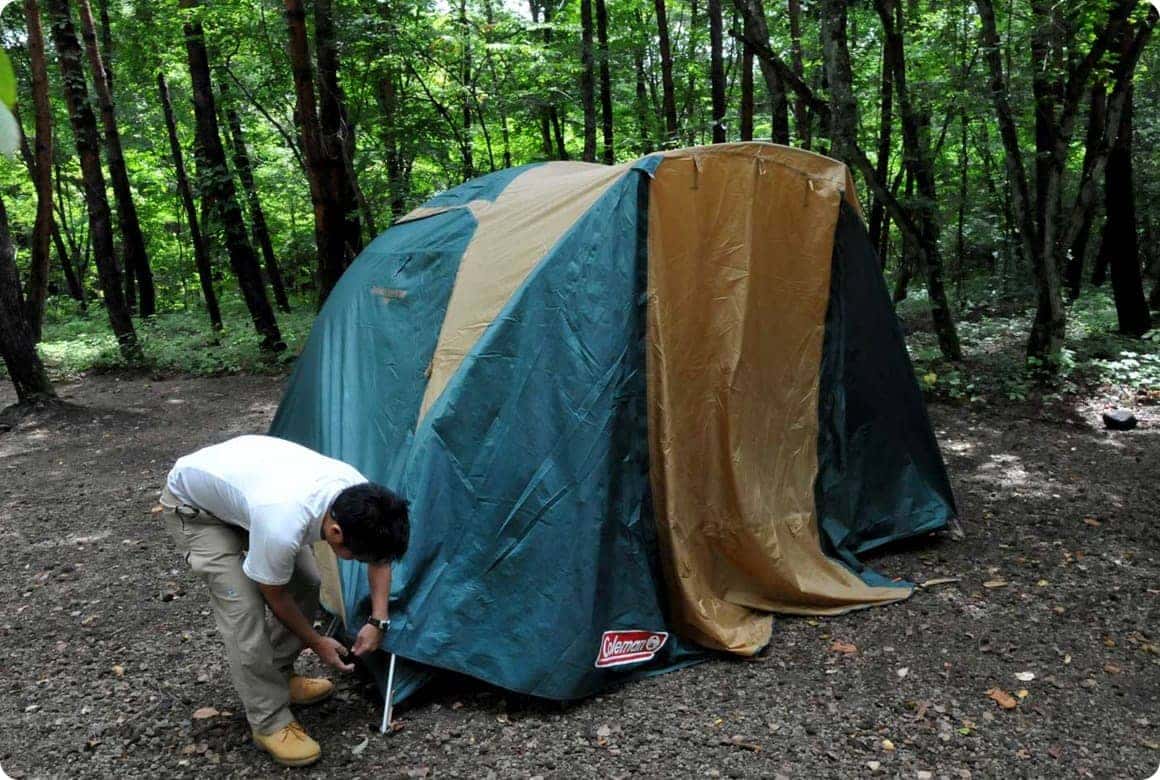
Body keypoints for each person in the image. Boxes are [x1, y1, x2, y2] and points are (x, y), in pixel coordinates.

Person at [158, 434, 409, 767]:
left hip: (246, 496)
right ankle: (268, 720)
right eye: (356, 557)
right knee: (243, 611)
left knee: (308, 582)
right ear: (335, 533)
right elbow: (273, 595)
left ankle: (279, 676)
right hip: (196, 511)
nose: (361, 562)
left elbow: (379, 557)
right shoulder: (282, 521)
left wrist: (378, 620)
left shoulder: (361, 498)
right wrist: (316, 642)